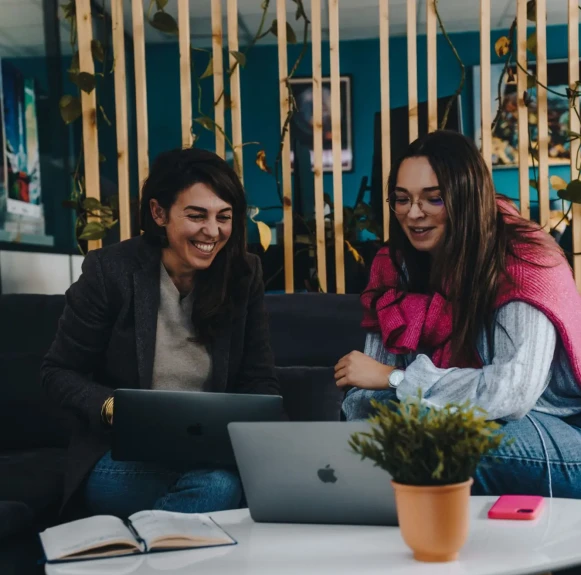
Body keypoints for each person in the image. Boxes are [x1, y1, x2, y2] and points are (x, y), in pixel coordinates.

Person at [336, 130, 581, 498]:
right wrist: (346, 449)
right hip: (451, 419)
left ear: (467, 198)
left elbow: (511, 392)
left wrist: (399, 380)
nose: (413, 214)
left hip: (553, 428)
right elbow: (368, 385)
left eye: (433, 199)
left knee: (441, 442)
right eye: (401, 200)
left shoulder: (525, 260)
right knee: (400, 434)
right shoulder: (397, 265)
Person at [42, 147, 281, 518]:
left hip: (208, 458)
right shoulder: (111, 271)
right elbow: (58, 373)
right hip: (119, 458)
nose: (213, 232)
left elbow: (259, 380)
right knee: (220, 487)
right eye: (196, 216)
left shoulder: (242, 273)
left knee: (219, 480)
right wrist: (110, 407)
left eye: (224, 217)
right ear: (158, 213)